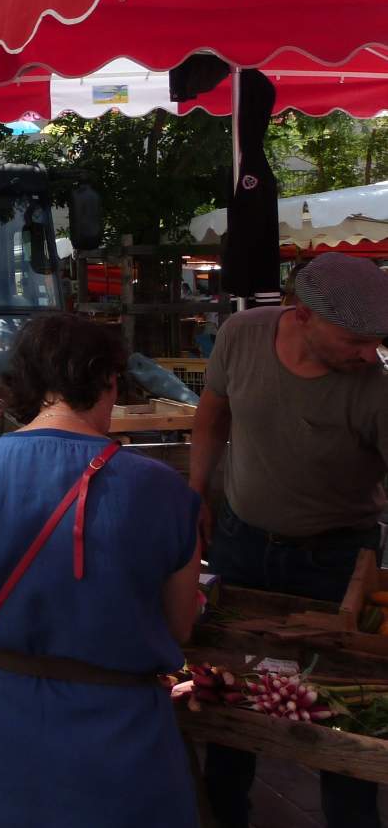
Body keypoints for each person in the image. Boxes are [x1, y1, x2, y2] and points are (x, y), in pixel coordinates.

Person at [0, 313, 201, 828]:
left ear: (28, 386)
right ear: (108, 381)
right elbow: (179, 625)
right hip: (120, 735)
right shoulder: (163, 489)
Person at [189, 253, 388, 828]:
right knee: (228, 690)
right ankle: (223, 813)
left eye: (376, 340)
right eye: (354, 339)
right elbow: (212, 416)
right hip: (240, 543)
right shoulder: (241, 334)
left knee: (340, 712)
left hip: (336, 561)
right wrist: (197, 492)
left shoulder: (377, 387)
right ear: (301, 315)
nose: (367, 352)